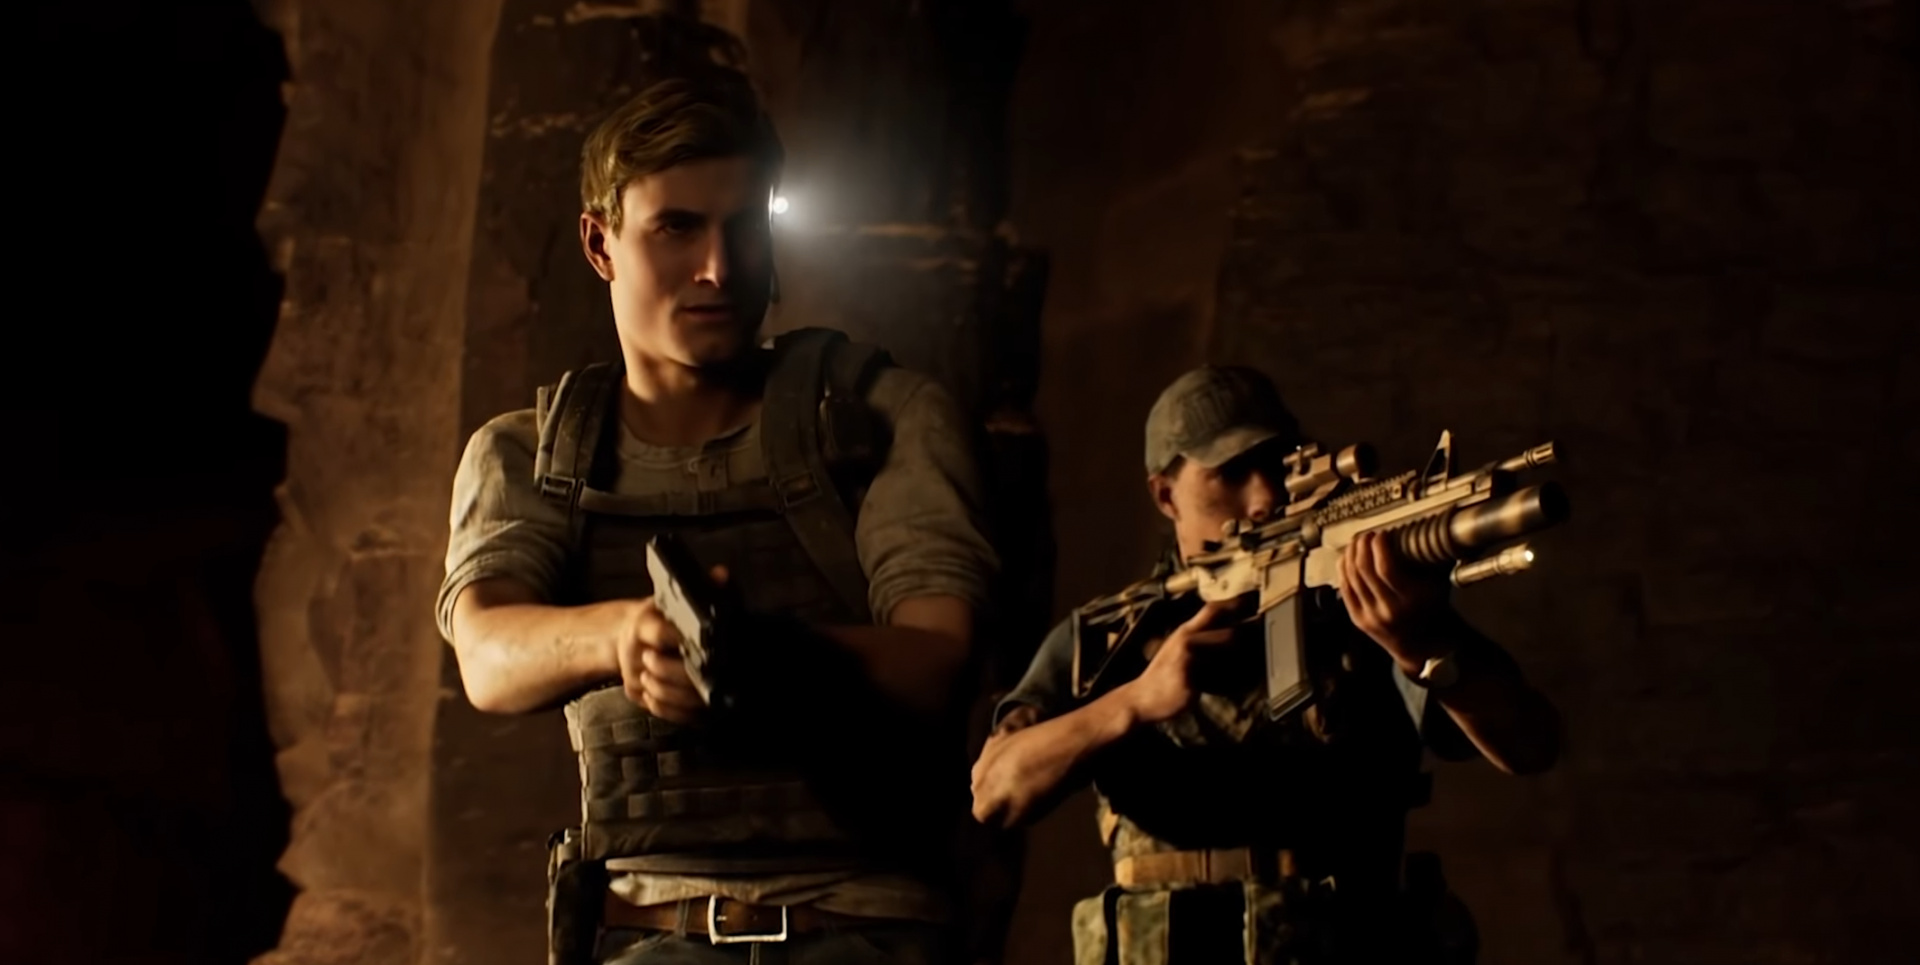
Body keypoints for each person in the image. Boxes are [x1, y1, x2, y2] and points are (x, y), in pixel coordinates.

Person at [436, 17, 997, 964]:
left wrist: (772, 659)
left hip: (867, 928)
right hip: (649, 929)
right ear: (600, 243)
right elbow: (486, 655)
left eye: (746, 227)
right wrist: (624, 636)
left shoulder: (881, 416)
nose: (719, 269)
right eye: (677, 228)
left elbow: (940, 656)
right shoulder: (534, 452)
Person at [970, 365, 1562, 964]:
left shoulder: (1357, 605)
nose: (1264, 498)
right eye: (1229, 473)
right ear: (1164, 494)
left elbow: (1530, 744)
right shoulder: (1113, 636)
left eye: (1277, 465)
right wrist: (1135, 700)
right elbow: (994, 792)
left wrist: (1423, 641)